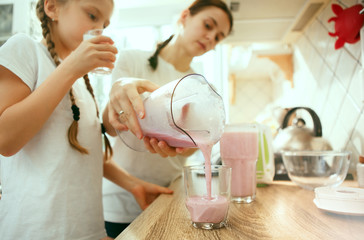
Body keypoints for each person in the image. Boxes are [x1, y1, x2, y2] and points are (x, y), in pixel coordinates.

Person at [0, 0, 172, 239]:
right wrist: (72, 68)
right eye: (92, 15)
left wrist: (134, 184)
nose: (100, 28)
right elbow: (5, 139)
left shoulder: (81, 85)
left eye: (105, 23)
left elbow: (83, 152)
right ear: (52, 8)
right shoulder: (25, 49)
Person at [101, 0, 233, 237]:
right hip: (121, 197)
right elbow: (111, 127)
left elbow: (195, 145)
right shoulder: (132, 61)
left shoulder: (200, 87)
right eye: (208, 25)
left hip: (169, 195)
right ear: (185, 16)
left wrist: (180, 148)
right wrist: (119, 92)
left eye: (218, 37)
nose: (211, 38)